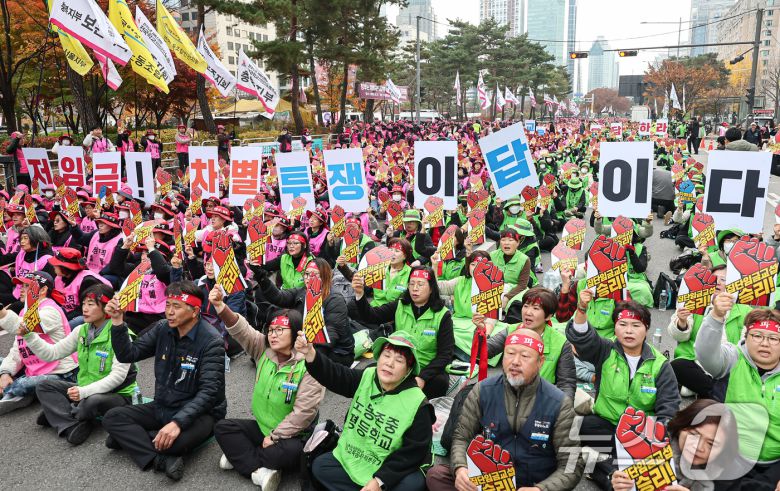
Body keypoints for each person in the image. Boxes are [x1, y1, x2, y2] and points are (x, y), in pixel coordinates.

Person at [426, 328, 584, 491]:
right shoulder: (482, 390)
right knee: (437, 476)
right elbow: (461, 437)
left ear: (540, 362)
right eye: (510, 353)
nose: (515, 361)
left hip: (532, 484)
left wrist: (541, 489)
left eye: (525, 356)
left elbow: (572, 464)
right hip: (487, 481)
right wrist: (460, 469)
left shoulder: (559, 402)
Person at [102, 281, 227, 481]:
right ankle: (158, 457)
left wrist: (177, 423)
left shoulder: (212, 341)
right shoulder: (162, 328)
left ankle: (137, 439)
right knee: (112, 417)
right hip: (163, 404)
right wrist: (117, 321)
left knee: (175, 442)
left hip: (201, 413)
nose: (169, 311)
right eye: (168, 305)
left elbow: (209, 392)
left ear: (195, 311)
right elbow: (129, 353)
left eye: (176, 307)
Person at [210, 287, 325, 489]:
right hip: (263, 427)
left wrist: (274, 437)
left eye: (280, 330)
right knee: (222, 428)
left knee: (279, 453)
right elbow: (241, 328)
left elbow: (304, 413)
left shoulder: (310, 365)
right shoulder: (263, 349)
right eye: (271, 329)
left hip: (293, 436)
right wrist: (220, 306)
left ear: (297, 333)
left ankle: (242, 457)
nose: (273, 334)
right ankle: (258, 471)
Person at [567, 293, 680, 486]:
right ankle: (612, 468)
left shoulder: (660, 364)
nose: (629, 331)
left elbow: (669, 408)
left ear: (646, 329)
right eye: (623, 324)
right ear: (615, 327)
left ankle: (605, 469)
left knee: (636, 478)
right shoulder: (605, 350)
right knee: (571, 429)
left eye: (636, 326)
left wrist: (657, 444)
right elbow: (582, 337)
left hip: (641, 436)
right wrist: (581, 308)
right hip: (608, 425)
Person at [300, 329, 434, 491]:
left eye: (399, 360)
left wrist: (379, 480)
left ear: (408, 370)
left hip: (389, 465)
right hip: (358, 456)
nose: (389, 363)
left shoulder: (418, 403)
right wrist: (310, 354)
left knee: (412, 484)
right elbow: (337, 375)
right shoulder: (368, 376)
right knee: (321, 466)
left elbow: (412, 452)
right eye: (386, 355)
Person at [24, 284, 137, 445]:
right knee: (44, 386)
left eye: (91, 304)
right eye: (83, 303)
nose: (85, 308)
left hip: (117, 395)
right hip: (85, 388)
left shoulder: (121, 334)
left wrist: (84, 392)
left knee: (91, 402)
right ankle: (71, 423)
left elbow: (117, 378)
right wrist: (29, 336)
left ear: (106, 307)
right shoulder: (81, 330)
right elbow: (52, 354)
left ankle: (58, 414)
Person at [695, 301, 780, 487]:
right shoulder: (734, 358)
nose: (765, 343)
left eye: (774, 338)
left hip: (775, 461)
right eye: (757, 335)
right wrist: (716, 316)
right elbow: (706, 355)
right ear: (746, 336)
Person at [351, 266, 454, 398]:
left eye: (420, 284)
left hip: (426, 368)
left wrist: (423, 377)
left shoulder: (442, 315)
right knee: (369, 371)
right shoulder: (400, 305)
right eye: (411, 283)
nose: (415, 288)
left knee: (440, 382)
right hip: (399, 363)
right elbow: (372, 316)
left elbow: (445, 355)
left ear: (431, 288)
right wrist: (360, 294)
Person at [611, 399, 741, 491]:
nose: (698, 447)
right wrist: (618, 484)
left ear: (724, 448)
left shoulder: (729, 478)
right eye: (694, 434)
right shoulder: (653, 444)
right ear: (681, 427)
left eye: (711, 444)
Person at [668, 264, 750, 398]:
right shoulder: (696, 300)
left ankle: (705, 389)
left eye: (723, 279)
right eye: (714, 278)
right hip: (697, 360)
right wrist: (681, 322)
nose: (718, 282)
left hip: (728, 363)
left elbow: (747, 345)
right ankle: (718, 392)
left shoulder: (744, 310)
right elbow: (678, 336)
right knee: (676, 366)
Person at [0, 272, 78, 414]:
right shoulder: (26, 310)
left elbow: (23, 328)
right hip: (34, 368)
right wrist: (5, 373)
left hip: (61, 373)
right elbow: (18, 349)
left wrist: (3, 313)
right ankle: (14, 390)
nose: (21, 289)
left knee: (25, 383)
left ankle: (15, 391)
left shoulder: (50, 310)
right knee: (6, 367)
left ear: (43, 290)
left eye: (27, 286)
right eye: (21, 285)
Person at [252, 258, 354, 366]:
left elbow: (331, 336)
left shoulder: (335, 300)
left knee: (298, 361)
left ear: (325, 276)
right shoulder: (302, 292)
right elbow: (279, 297)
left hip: (336, 352)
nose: (309, 278)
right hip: (306, 342)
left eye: (314, 274)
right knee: (269, 352)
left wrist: (301, 351)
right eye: (307, 274)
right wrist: (261, 276)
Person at [485, 287, 577, 400]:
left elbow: (567, 384)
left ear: (548, 316)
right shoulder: (512, 330)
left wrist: (561, 409)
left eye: (535, 308)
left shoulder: (561, 343)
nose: (528, 312)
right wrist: (481, 332)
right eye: (526, 306)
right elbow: (484, 352)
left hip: (541, 399)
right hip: (508, 396)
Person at [49, 247, 112, 326]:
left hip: (89, 314)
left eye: (56, 264)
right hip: (70, 311)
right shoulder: (60, 278)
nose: (53, 266)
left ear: (65, 267)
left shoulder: (87, 281)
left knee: (68, 325)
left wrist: (62, 320)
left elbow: (86, 308)